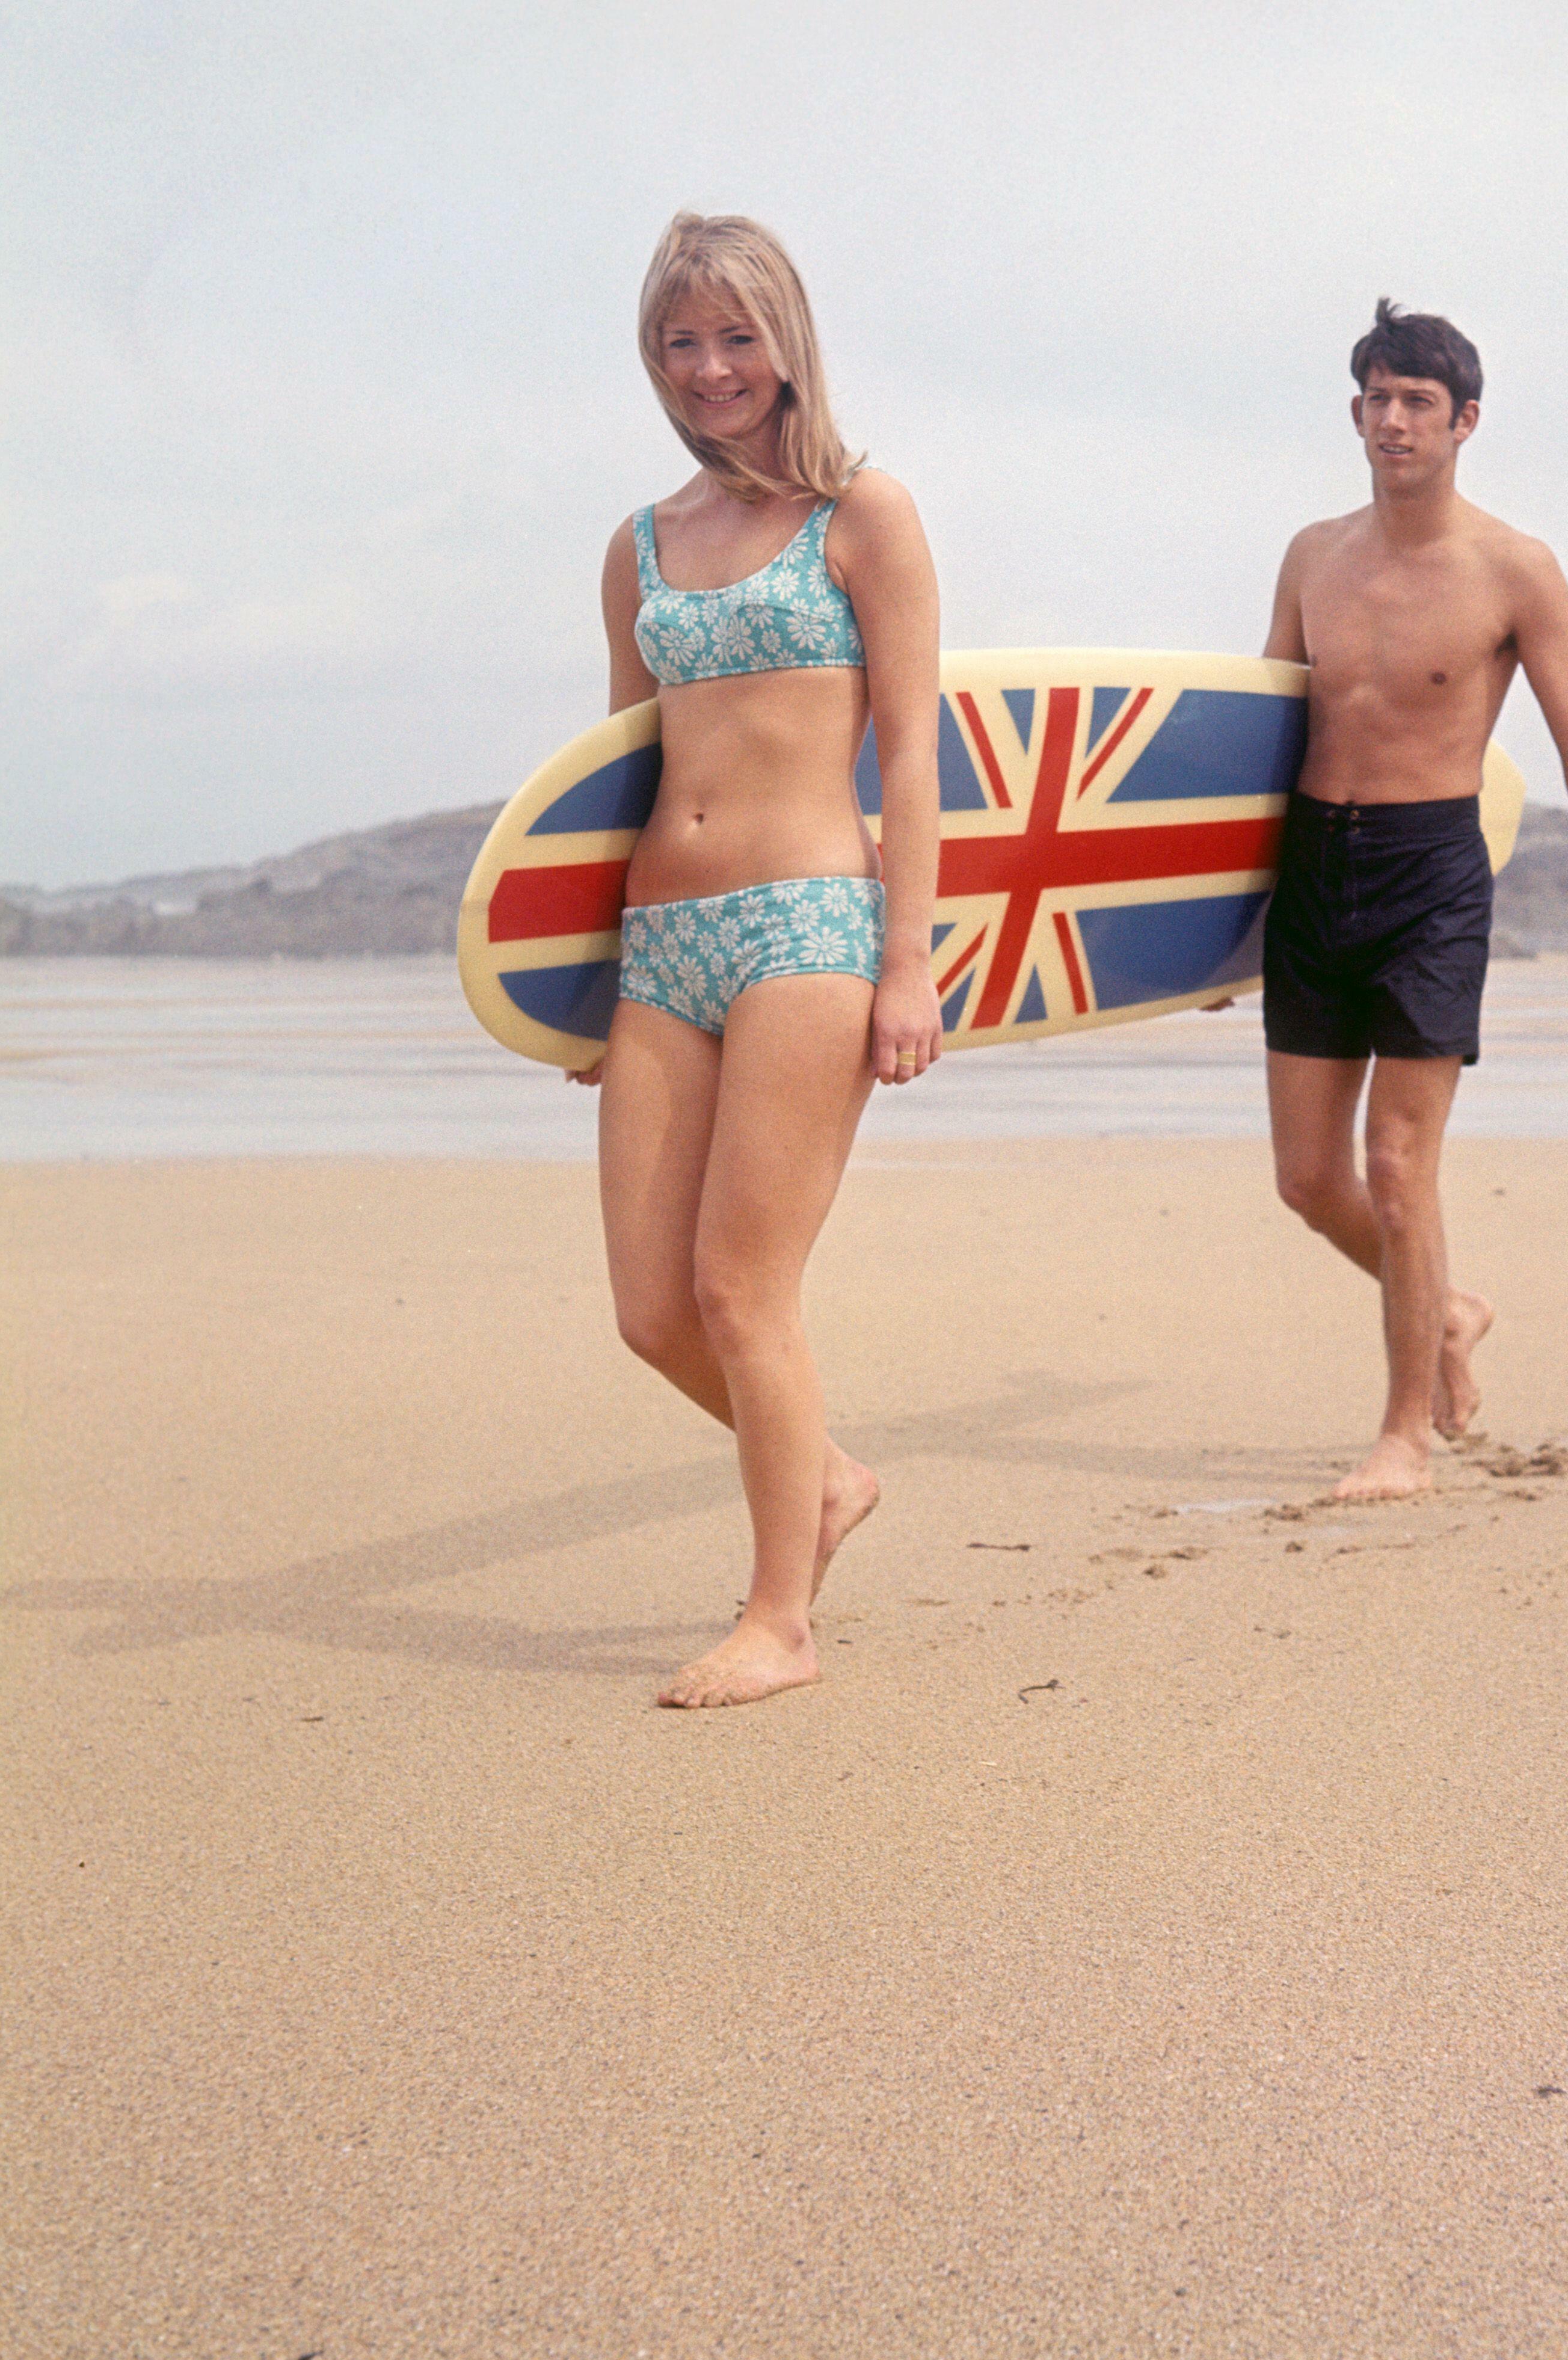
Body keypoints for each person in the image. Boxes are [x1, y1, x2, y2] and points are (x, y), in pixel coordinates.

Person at [580, 212, 943, 1706]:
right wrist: (577, 990)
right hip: (661, 939)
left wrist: (907, 960)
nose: (711, 367)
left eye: (737, 336)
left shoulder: (863, 513)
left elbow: (913, 754)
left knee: (742, 1289)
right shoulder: (639, 545)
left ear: (786, 341)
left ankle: (778, 1621)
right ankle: (828, 1480)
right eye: (682, 341)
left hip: (807, 920)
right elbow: (613, 770)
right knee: (651, 1311)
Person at [1258, 298, 1568, 1501]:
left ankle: (1403, 1437)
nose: (1392, 421)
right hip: (1309, 867)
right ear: (1354, 411)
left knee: (1397, 1166)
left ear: (1464, 422)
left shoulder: (1513, 571)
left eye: (1417, 403)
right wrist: (1210, 932)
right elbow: (1262, 742)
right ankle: (1445, 1311)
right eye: (1375, 399)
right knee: (1305, 1179)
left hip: (1430, 872)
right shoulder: (1309, 557)